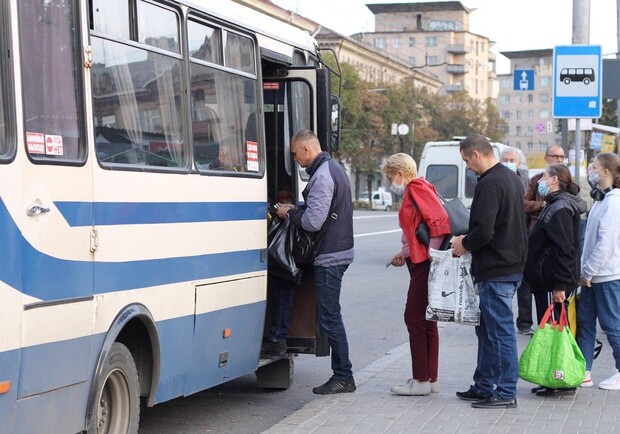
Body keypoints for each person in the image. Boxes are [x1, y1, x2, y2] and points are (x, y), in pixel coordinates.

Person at [276, 129, 355, 395]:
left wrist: (291, 213)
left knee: (331, 317)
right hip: (337, 251)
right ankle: (343, 374)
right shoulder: (334, 168)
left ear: (307, 150)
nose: (295, 159)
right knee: (330, 316)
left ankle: (344, 376)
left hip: (330, 256)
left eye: (296, 154)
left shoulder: (322, 176)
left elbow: (312, 221)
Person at [452, 134, 527, 409]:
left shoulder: (490, 183)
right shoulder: (510, 178)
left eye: (466, 161)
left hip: (497, 268)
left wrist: (463, 243)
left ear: (475, 154)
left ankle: (506, 391)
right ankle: (484, 385)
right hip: (509, 264)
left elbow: (483, 230)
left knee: (500, 332)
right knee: (487, 331)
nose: (467, 167)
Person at [383, 153, 451, 396]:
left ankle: (420, 379)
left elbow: (440, 221)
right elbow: (416, 229)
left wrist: (430, 254)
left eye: (391, 177)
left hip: (424, 264)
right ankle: (430, 378)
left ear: (400, 174)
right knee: (427, 319)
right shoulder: (420, 187)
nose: (391, 183)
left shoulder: (416, 187)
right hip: (420, 260)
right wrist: (406, 252)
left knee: (414, 317)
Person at [523, 164, 586, 396]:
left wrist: (559, 285)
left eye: (544, 177)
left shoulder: (559, 207)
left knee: (556, 331)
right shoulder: (556, 204)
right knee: (553, 329)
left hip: (553, 281)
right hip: (549, 279)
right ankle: (553, 375)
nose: (541, 181)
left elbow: (563, 250)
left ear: (555, 180)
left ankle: (559, 377)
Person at [576, 152, 620, 390]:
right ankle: (583, 370)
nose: (590, 172)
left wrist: (588, 272)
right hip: (591, 276)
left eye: (594, 168)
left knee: (611, 323)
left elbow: (606, 243)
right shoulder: (602, 200)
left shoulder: (614, 202)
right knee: (585, 322)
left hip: (606, 275)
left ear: (606, 172)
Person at [500, 147, 534, 336]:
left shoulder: (526, 182)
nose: (508, 162)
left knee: (524, 282)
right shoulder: (494, 178)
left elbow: (528, 205)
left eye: (512, 159)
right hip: (503, 235)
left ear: (519, 163)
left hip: (523, 233)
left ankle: (524, 322)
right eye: (505, 158)